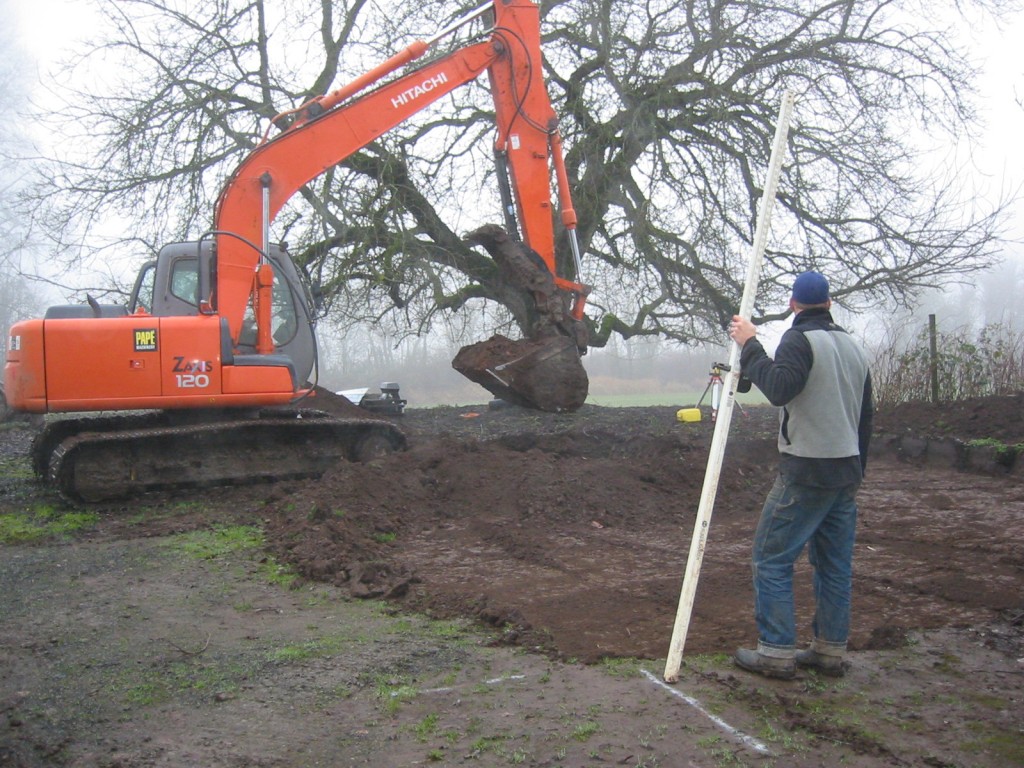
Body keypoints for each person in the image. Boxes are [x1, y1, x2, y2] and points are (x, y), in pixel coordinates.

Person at [727, 270, 873, 679]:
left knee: (770, 559)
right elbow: (866, 417)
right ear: (829, 303)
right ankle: (829, 650)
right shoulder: (853, 346)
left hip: (807, 469)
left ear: (794, 305)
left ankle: (775, 652)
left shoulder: (798, 340)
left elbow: (778, 387)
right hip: (846, 470)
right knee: (834, 565)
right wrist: (858, 469)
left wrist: (750, 344)